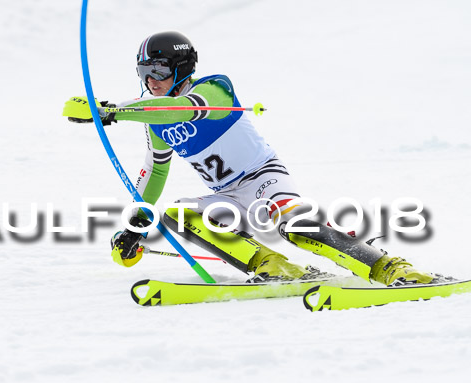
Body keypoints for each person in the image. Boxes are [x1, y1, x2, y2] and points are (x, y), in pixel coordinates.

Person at [64, 31, 439, 286]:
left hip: (265, 180)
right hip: (227, 196)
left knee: (294, 226)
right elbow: (154, 175)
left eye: (160, 71)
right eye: (145, 73)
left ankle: (389, 268)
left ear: (181, 69)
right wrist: (134, 228)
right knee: (179, 215)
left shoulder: (215, 88)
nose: (152, 81)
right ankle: (275, 268)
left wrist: (113, 110)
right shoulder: (152, 118)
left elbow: (178, 109)